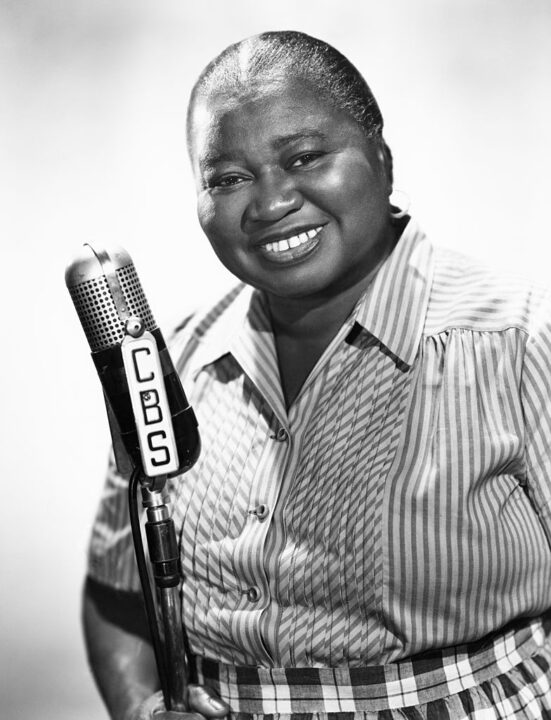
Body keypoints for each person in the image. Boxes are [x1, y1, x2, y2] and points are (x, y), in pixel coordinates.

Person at [83, 30, 551, 720]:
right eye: (228, 179)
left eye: (304, 157)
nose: (270, 202)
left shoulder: (513, 342)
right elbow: (117, 596)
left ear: (381, 160)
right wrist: (142, 709)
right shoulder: (168, 363)